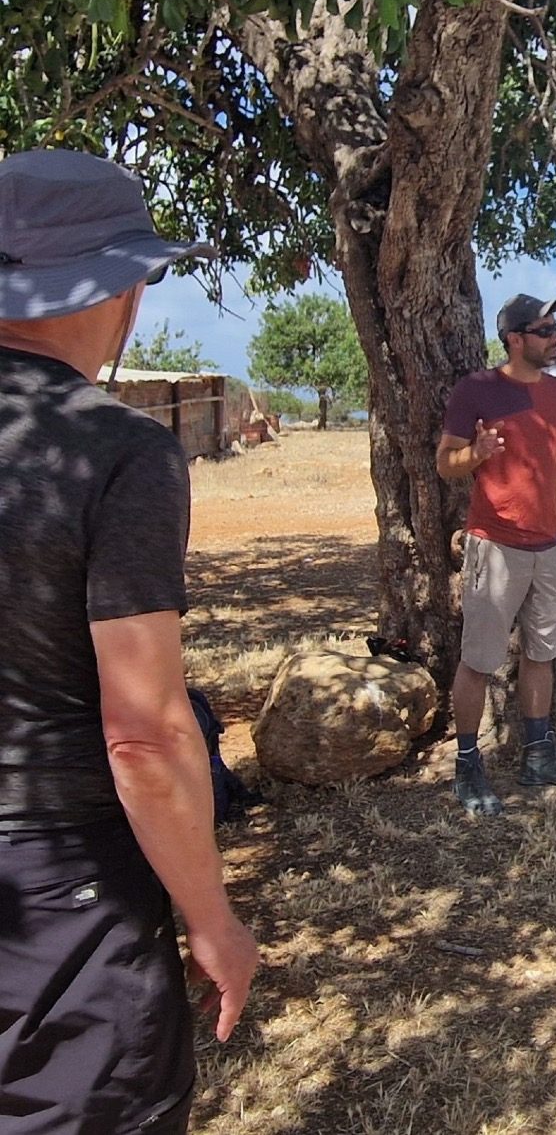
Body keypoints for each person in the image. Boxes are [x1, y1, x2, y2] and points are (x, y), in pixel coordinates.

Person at [0, 149, 258, 1132]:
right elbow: (143, 736)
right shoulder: (119, 451)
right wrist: (211, 918)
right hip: (61, 897)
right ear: (113, 288)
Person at [436, 294, 556, 816]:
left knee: (542, 654)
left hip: (551, 547)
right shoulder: (476, 390)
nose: (555, 337)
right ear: (516, 338)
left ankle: (539, 754)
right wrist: (473, 455)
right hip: (495, 546)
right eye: (545, 329)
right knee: (478, 661)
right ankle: (468, 763)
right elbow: (443, 462)